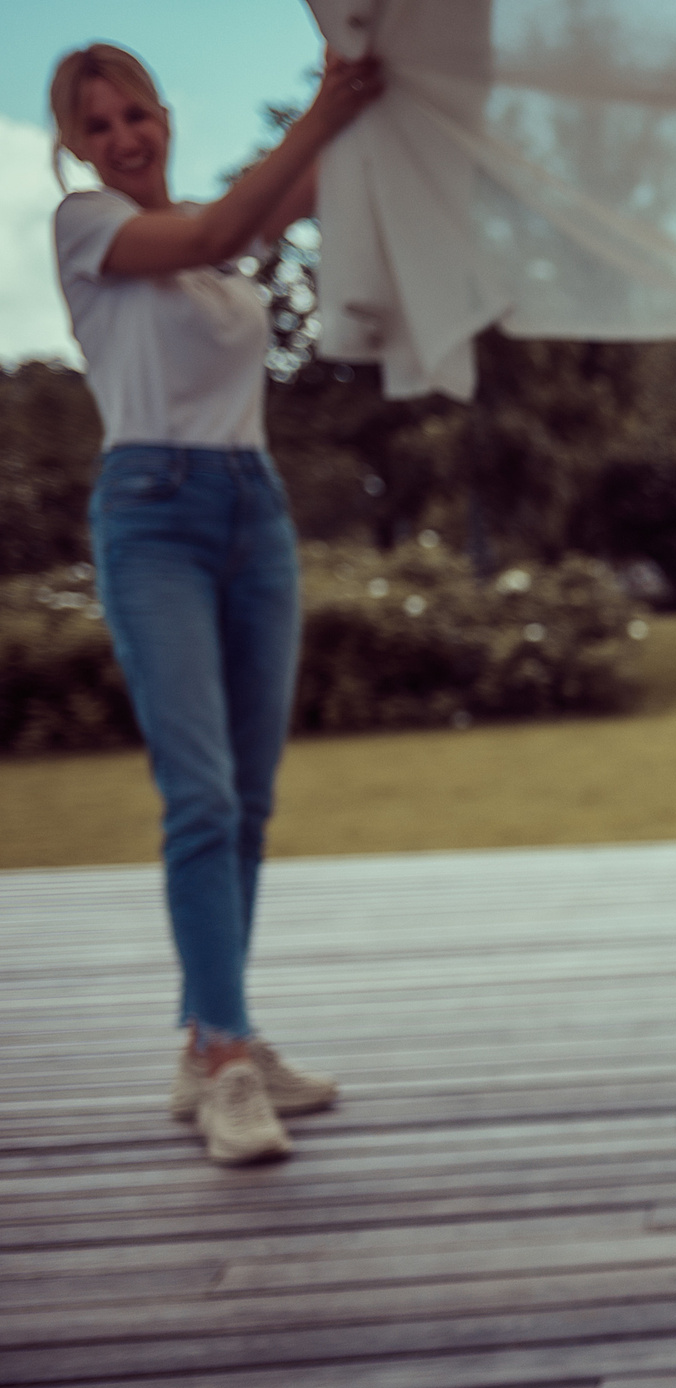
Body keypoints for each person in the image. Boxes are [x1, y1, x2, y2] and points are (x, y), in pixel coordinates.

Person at [49, 41, 381, 1163]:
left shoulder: (209, 243)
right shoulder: (90, 228)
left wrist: (382, 82)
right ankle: (227, 1060)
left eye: (135, 113)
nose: (124, 138)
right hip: (152, 514)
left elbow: (308, 184)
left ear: (164, 114)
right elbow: (218, 231)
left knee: (246, 804)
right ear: (76, 149)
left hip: (254, 509)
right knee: (198, 797)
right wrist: (324, 106)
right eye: (98, 128)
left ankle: (213, 1037)